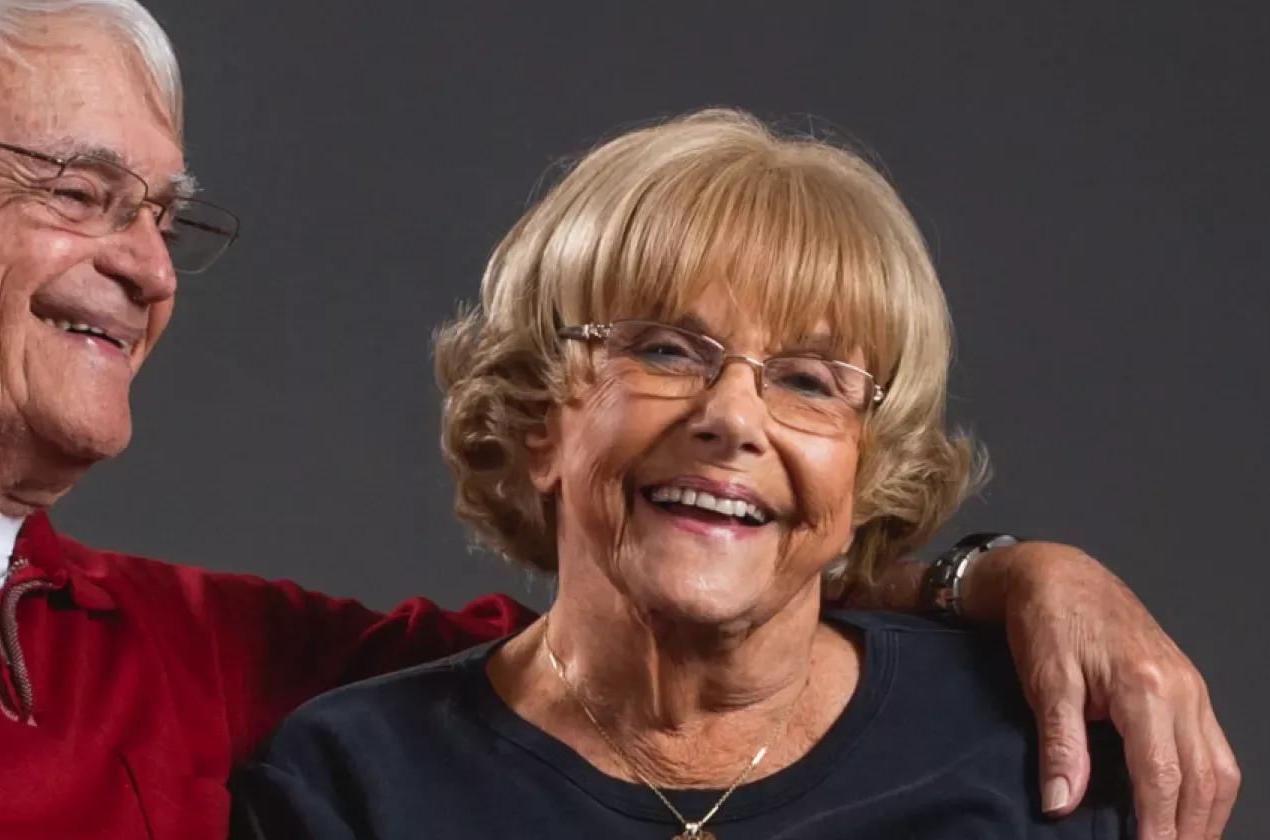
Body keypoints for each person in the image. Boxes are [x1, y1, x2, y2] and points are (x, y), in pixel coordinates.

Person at [0, 2, 1237, 838]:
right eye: (76, 189)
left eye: (164, 216)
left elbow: (632, 646)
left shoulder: (203, 656)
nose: (144, 265)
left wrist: (1012, 573)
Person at [242, 109, 1135, 839]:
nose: (734, 418)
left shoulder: (1026, 745)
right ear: (536, 417)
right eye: (666, 351)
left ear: (871, 466)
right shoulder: (349, 785)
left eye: (808, 381)